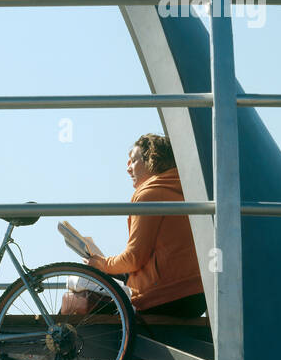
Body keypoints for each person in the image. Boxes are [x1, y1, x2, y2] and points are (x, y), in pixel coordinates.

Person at [73, 132, 207, 319]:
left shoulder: (149, 195)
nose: (128, 169)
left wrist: (100, 263)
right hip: (198, 296)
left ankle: (51, 341)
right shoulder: (189, 191)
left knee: (79, 290)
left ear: (153, 160)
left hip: (163, 296)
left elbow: (134, 258)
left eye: (133, 161)